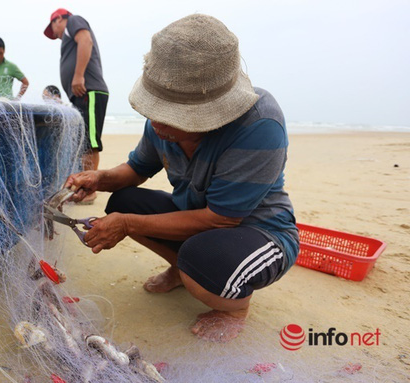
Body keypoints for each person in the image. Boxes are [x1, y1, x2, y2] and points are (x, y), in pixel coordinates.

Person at [64, 14, 299, 342]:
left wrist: (128, 225)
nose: (155, 121)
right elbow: (136, 170)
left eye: (170, 113)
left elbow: (220, 220)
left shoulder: (259, 125)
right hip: (201, 225)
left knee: (199, 257)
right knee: (123, 200)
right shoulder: (159, 125)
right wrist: (98, 178)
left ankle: (234, 307)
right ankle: (182, 269)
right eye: (154, 110)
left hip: (261, 233)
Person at [44, 8, 109, 204]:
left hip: (88, 90)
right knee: (83, 144)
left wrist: (79, 75)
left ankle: (90, 190)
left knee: (89, 143)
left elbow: (86, 41)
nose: (55, 35)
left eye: (53, 30)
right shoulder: (67, 37)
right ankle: (83, 187)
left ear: (59, 19)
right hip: (81, 94)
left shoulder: (74, 21)